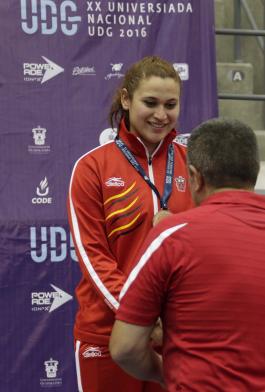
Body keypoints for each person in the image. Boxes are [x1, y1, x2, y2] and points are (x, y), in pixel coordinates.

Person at [110, 118, 265, 392]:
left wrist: (163, 372)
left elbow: (125, 347)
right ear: (253, 172)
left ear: (194, 177)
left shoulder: (172, 235)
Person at [67, 56, 194, 392]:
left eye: (171, 104)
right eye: (150, 103)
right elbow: (94, 258)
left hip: (174, 335)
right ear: (126, 99)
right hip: (107, 333)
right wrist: (140, 317)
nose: (161, 115)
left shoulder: (192, 166)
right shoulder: (92, 167)